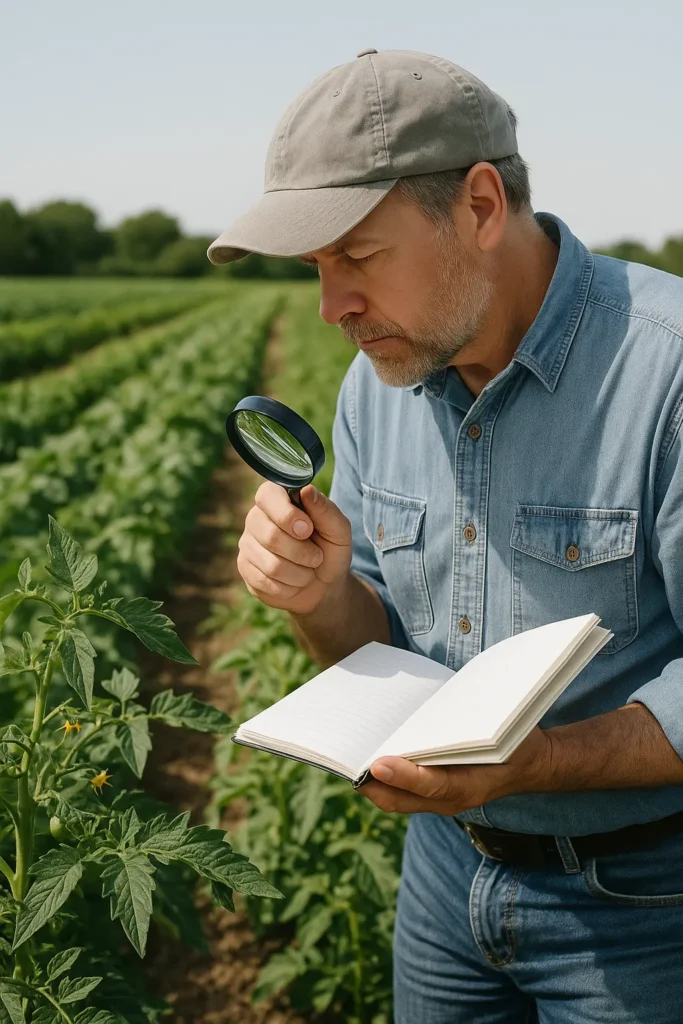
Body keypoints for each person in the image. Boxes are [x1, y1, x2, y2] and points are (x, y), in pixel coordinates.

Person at [207, 48, 683, 1024]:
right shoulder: (374, 384)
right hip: (442, 877)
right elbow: (372, 643)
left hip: (642, 902)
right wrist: (320, 597)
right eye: (315, 269)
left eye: (356, 255)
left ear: (478, 205)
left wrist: (537, 762)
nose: (332, 307)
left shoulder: (664, 373)